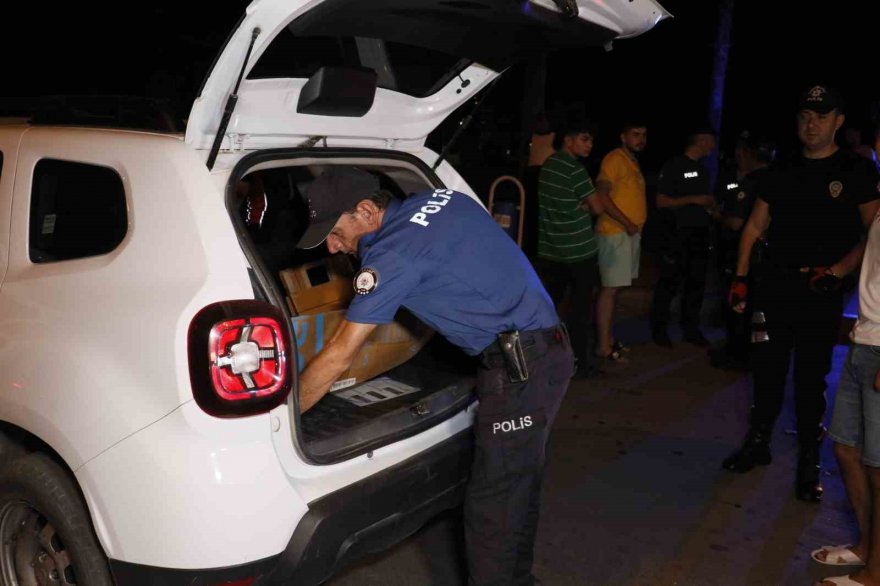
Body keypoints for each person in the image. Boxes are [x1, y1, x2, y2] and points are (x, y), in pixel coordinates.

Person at [295, 166, 575, 586]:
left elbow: (339, 355)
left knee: (492, 510)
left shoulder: (391, 255)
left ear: (367, 211)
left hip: (521, 368)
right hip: (548, 348)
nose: (334, 248)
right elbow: (455, 274)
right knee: (517, 487)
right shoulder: (441, 200)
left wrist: (283, 417)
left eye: (335, 233)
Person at [722, 85, 880, 503]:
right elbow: (755, 226)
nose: (812, 124)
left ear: (839, 122)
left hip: (820, 290)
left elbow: (872, 232)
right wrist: (740, 278)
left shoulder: (857, 171)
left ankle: (809, 462)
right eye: (806, 116)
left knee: (811, 379)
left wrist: (839, 271)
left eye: (822, 116)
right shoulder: (781, 169)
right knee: (766, 368)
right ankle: (758, 443)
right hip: (774, 285)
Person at [536, 118, 604, 378]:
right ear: (568, 140)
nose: (590, 145)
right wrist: (585, 206)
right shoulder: (575, 170)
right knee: (580, 310)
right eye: (584, 139)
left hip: (551, 251)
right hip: (578, 252)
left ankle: (543, 359)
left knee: (549, 307)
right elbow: (597, 207)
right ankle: (578, 363)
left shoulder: (548, 167)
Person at [710, 130, 775, 370]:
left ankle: (736, 354)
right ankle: (755, 353)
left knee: (738, 305)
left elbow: (737, 223)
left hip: (744, 255)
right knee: (759, 312)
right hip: (767, 257)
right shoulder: (776, 178)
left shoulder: (751, 182)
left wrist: (717, 215)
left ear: (746, 154)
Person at [650, 128, 717, 347]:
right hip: (677, 234)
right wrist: (693, 199)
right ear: (702, 140)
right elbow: (661, 201)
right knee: (669, 282)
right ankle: (659, 330)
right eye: (711, 141)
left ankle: (691, 328)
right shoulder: (674, 166)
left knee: (696, 283)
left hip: (699, 234)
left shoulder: (703, 169)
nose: (713, 146)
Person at [594, 121, 648, 361]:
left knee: (616, 291)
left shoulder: (631, 161)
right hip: (615, 233)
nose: (641, 139)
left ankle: (609, 340)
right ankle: (603, 347)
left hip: (628, 234)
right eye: (635, 134)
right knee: (609, 290)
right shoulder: (614, 159)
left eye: (644, 135)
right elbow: (602, 194)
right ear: (623, 136)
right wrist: (626, 222)